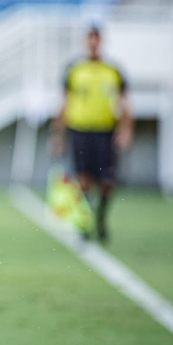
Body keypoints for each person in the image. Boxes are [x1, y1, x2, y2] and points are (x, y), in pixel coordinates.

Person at [51, 26, 133, 242]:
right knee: (83, 179)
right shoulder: (75, 70)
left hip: (105, 131)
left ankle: (101, 218)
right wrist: (57, 134)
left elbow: (125, 103)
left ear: (101, 41)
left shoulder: (113, 71)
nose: (93, 43)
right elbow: (64, 102)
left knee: (107, 182)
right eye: (90, 39)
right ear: (85, 41)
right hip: (79, 130)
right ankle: (84, 224)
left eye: (96, 39)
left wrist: (126, 129)